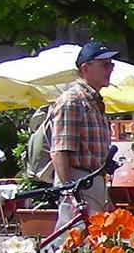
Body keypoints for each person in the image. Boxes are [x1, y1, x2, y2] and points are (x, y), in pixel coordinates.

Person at [47, 38, 116, 223]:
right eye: (105, 65)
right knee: (74, 245)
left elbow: (96, 157)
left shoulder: (94, 102)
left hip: (94, 181)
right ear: (85, 68)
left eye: (111, 65)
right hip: (77, 182)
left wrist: (105, 194)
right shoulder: (72, 100)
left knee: (96, 246)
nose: (110, 69)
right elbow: (59, 152)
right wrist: (71, 194)